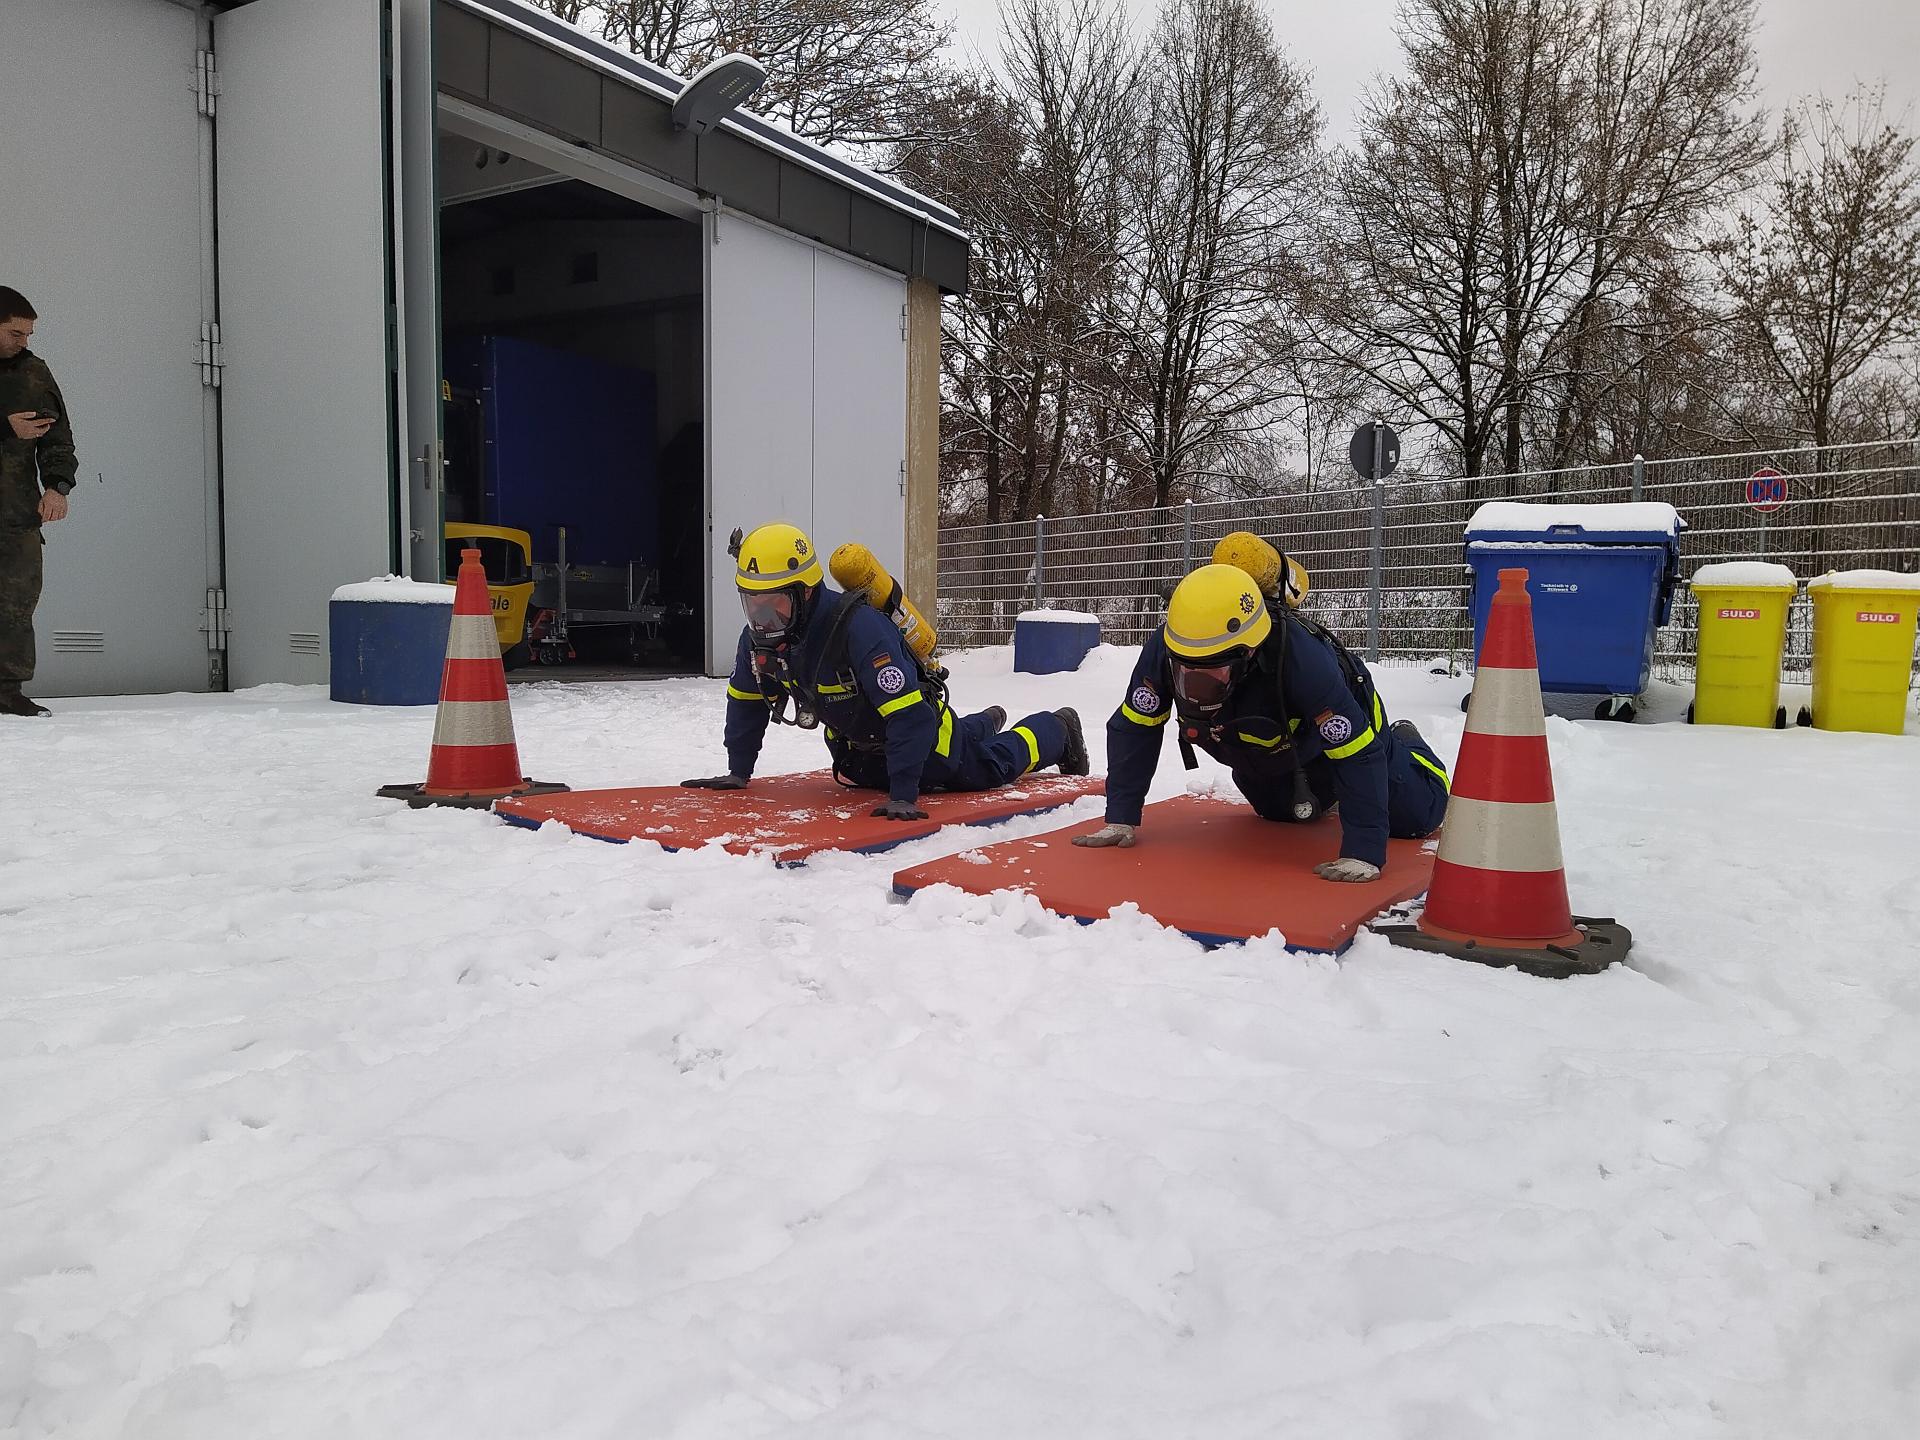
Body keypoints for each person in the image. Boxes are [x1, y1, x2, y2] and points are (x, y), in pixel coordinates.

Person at [1076, 561, 1449, 881]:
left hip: (1351, 736)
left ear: (1249, 649)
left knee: (1414, 819)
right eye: (1185, 670)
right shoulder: (1168, 645)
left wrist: (1363, 852)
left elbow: (1354, 752)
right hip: (1270, 750)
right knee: (1277, 814)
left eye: (1212, 672)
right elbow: (1134, 728)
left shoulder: (1303, 661)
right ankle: (1328, 792)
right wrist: (1120, 816)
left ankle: (1410, 744)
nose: (1195, 684)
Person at [684, 522, 1088, 817]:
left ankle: (1055, 729)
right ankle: (984, 721)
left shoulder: (861, 629)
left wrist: (904, 795)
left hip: (925, 741)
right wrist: (738, 771)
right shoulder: (759, 636)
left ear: (805, 592)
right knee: (888, 767)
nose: (763, 617)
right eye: (753, 604)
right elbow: (746, 699)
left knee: (988, 768)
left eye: (774, 603)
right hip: (858, 753)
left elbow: (910, 718)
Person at [0, 287, 76, 718]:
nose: (24, 342)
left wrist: (57, 486)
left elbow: (57, 436)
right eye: (15, 333)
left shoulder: (33, 373)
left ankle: (7, 691)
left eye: (28, 334)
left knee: (16, 601)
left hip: (14, 514)